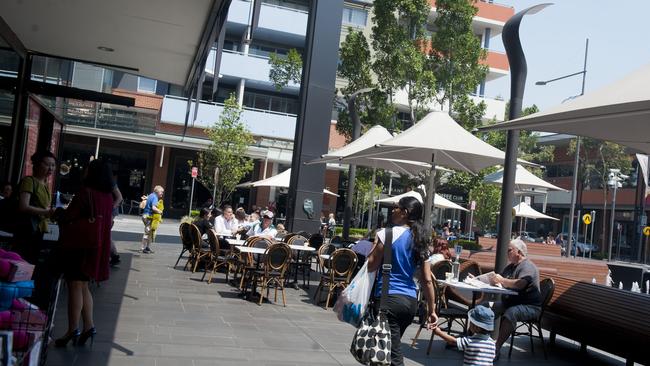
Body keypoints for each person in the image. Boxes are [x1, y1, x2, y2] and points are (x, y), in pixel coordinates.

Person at [366, 196, 438, 366]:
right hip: (410, 303)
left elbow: (371, 265)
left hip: (387, 300)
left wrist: (376, 244)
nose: (393, 210)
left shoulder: (386, 234)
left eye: (396, 207)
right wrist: (432, 309)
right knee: (388, 349)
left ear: (405, 213)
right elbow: (427, 280)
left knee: (394, 357)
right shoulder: (421, 240)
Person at [55, 159, 114, 348]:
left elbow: (69, 216)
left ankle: (72, 330)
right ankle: (89, 326)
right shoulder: (107, 197)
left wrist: (56, 212)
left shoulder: (85, 193)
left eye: (87, 169)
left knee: (74, 286)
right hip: (95, 247)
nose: (84, 172)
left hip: (79, 246)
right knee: (83, 286)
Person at [487, 239, 542, 356]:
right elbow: (500, 279)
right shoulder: (511, 267)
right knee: (485, 307)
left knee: (511, 312)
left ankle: (496, 349)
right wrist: (480, 280)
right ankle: (471, 339)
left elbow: (520, 284)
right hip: (511, 303)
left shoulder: (528, 267)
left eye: (509, 250)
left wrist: (501, 280)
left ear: (520, 252)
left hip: (530, 306)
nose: (507, 252)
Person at [13, 150, 57, 263]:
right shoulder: (29, 181)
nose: (51, 168)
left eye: (53, 165)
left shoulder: (45, 185)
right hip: (27, 229)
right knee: (22, 261)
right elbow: (23, 206)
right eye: (47, 164)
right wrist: (46, 212)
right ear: (37, 164)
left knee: (32, 261)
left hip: (39, 228)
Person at [141, 185, 164, 253]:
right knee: (147, 232)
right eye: (161, 192)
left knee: (150, 232)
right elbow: (153, 208)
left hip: (145, 215)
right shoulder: (155, 198)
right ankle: (142, 248)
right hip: (148, 216)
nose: (162, 193)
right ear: (157, 191)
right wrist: (160, 211)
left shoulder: (151, 195)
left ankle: (147, 247)